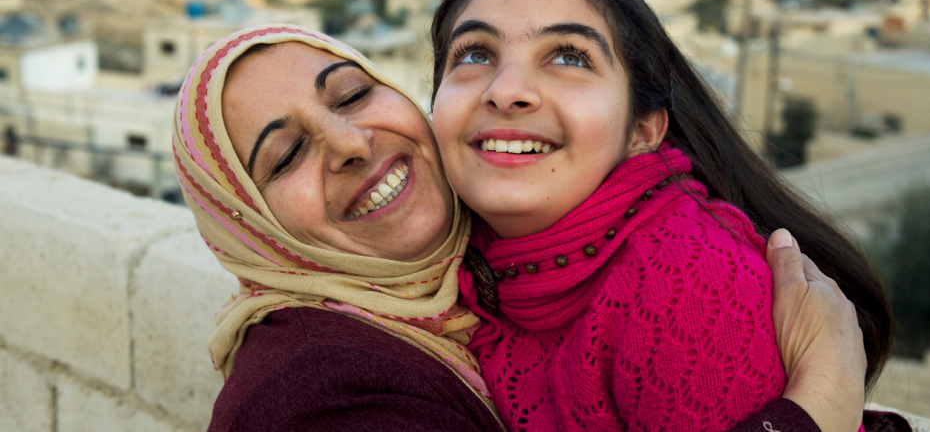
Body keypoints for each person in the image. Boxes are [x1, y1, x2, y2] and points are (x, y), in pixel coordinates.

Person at [173, 24, 879, 432]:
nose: (351, 141)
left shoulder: (504, 286)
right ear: (249, 227)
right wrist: (820, 400)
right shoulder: (322, 398)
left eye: (353, 93)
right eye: (286, 153)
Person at [428, 0, 898, 432]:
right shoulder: (442, 264)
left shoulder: (689, 284)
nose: (506, 90)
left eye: (569, 56)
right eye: (475, 54)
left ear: (643, 130)